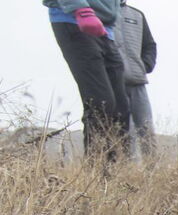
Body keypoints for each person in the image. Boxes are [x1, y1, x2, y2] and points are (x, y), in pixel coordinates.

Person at [45, 0, 129, 161]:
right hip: (74, 20)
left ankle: (114, 173)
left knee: (120, 108)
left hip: (106, 28)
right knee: (101, 102)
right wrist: (80, 9)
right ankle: (97, 171)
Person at [114, 1, 157, 157]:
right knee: (126, 132)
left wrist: (145, 65)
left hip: (138, 83)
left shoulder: (137, 15)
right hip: (114, 84)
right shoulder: (102, 13)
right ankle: (130, 171)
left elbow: (150, 45)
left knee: (146, 130)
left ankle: (152, 173)